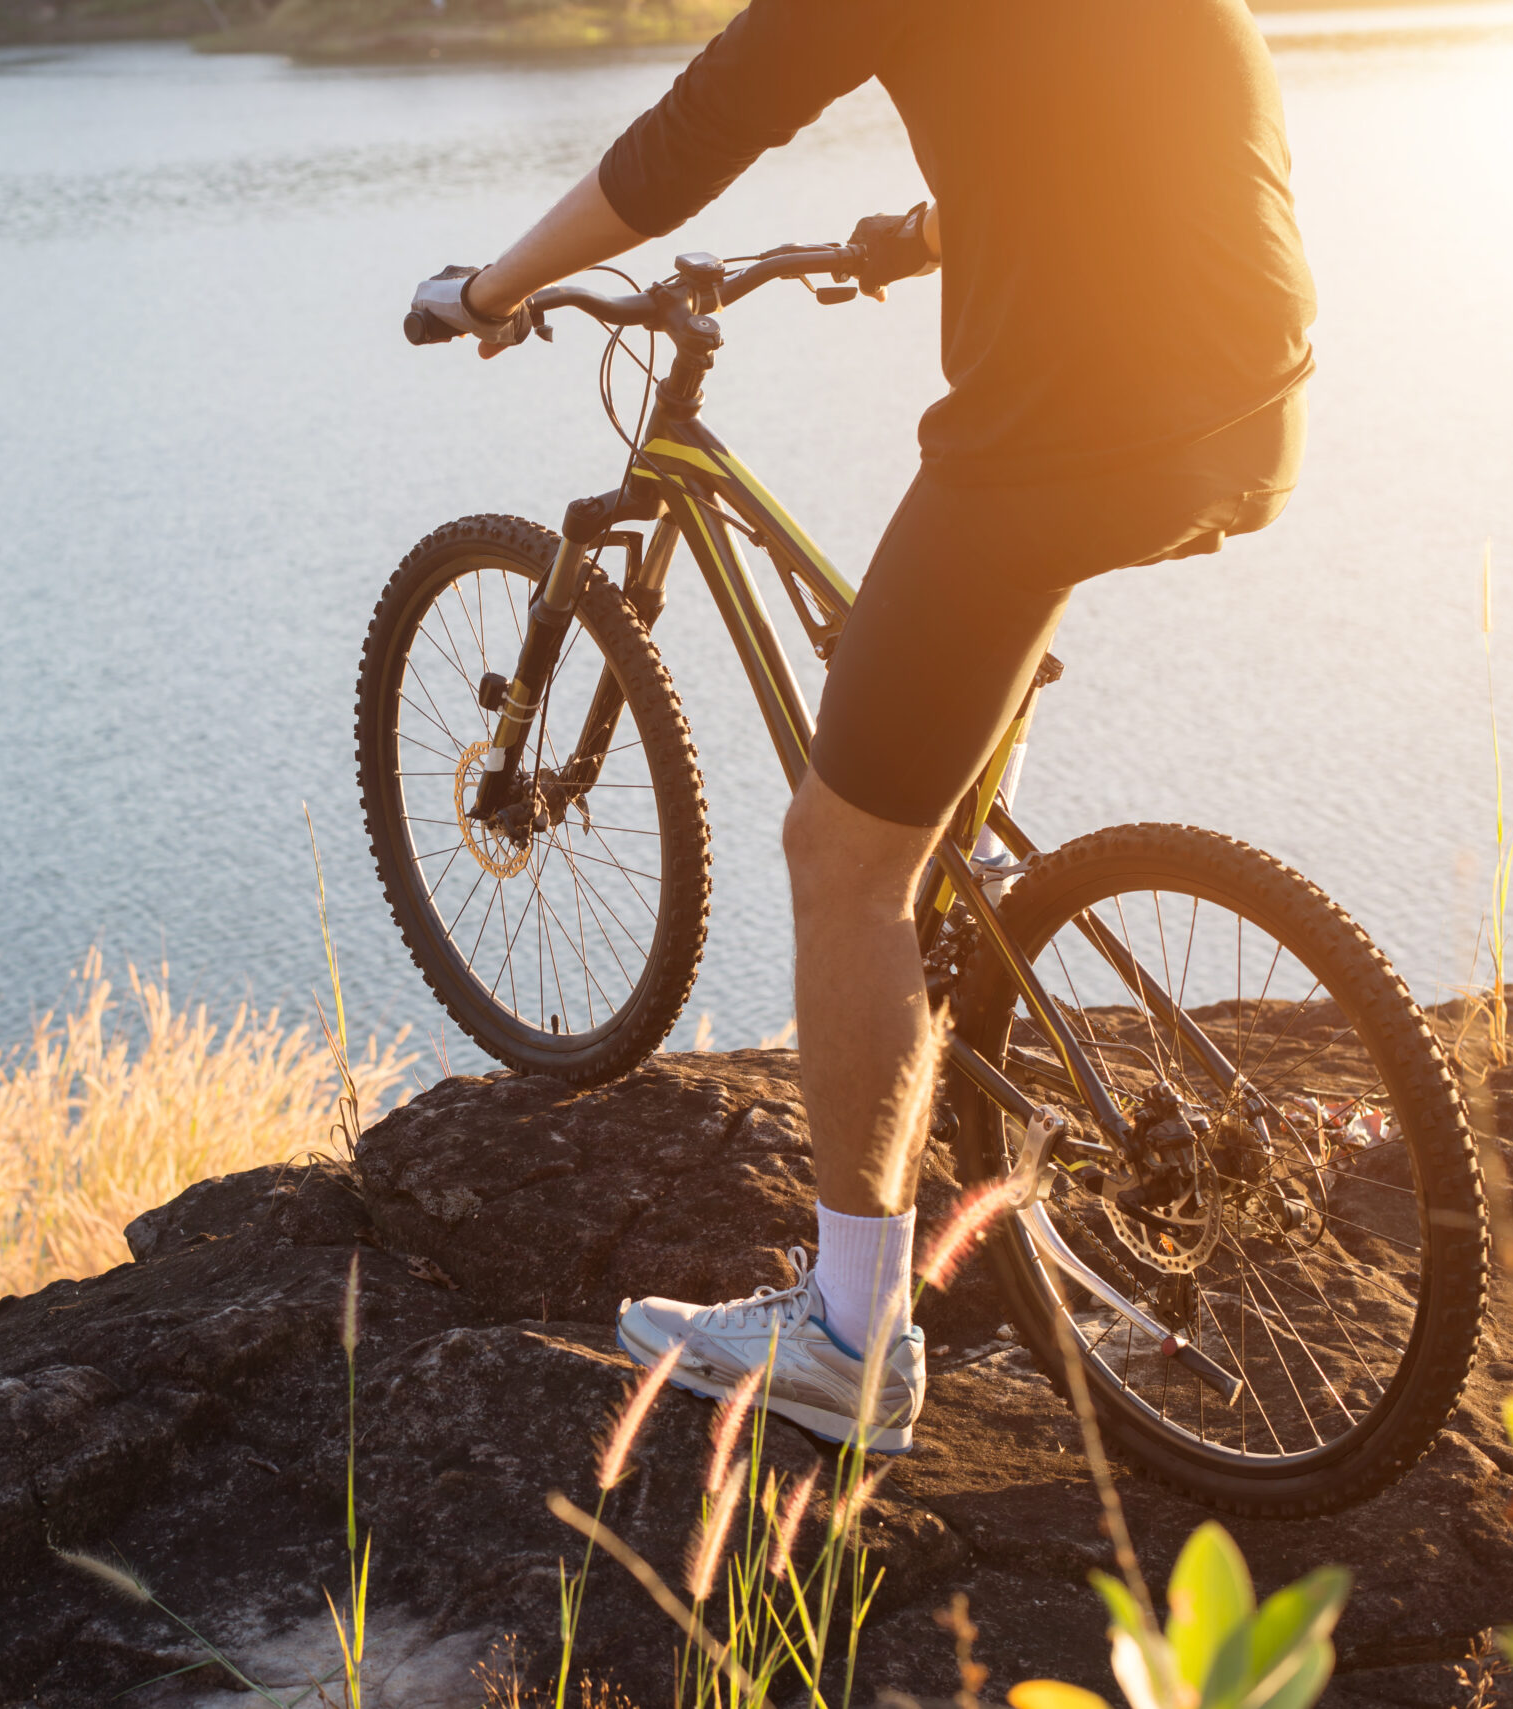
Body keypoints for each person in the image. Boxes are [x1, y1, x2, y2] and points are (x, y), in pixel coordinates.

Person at [407, 0, 1315, 1452]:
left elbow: (686, 141)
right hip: (1253, 404)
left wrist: (498, 286)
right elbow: (1109, 117)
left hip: (1075, 429)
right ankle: (968, 941)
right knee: (930, 771)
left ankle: (846, 1341)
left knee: (842, 857)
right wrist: (935, 228)